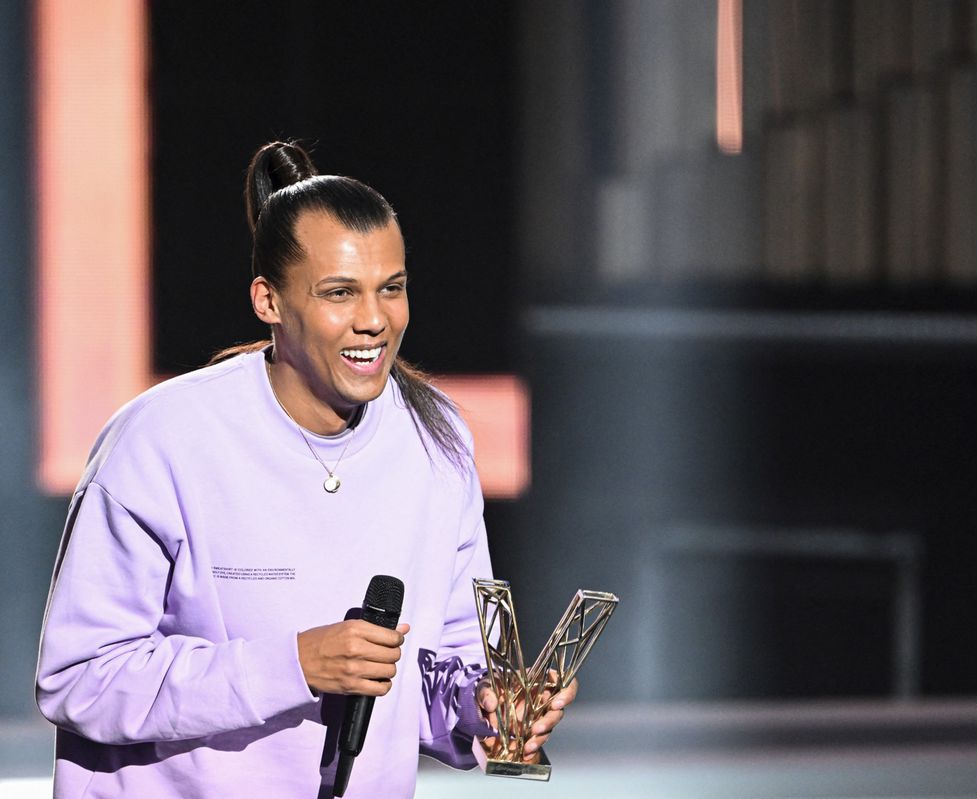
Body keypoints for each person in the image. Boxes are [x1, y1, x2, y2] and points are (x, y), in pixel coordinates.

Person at [35, 141, 574, 798]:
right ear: (269, 300)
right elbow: (80, 676)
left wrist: (483, 705)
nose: (375, 319)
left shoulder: (437, 443)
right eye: (340, 293)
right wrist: (294, 664)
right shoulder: (160, 442)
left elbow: (443, 670)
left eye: (392, 288)